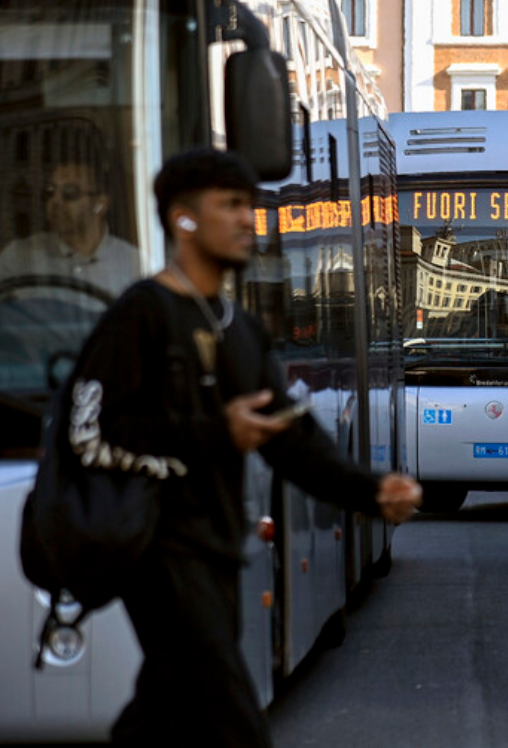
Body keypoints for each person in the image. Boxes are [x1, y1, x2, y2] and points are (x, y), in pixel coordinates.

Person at [58, 147, 421, 747]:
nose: (248, 219)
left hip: (218, 548)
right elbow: (88, 437)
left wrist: (372, 489)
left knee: (162, 711)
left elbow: (291, 438)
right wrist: (212, 433)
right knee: (232, 720)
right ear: (184, 219)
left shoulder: (239, 328)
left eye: (249, 206)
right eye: (229, 205)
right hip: (157, 550)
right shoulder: (140, 315)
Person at [0, 157, 139, 298]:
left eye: (70, 193)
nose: (55, 202)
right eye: (50, 191)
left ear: (100, 205)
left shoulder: (133, 264)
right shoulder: (19, 257)